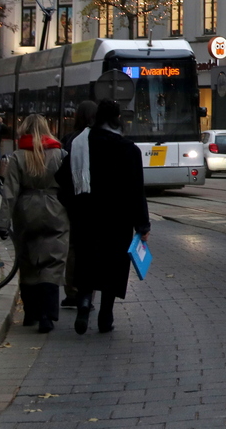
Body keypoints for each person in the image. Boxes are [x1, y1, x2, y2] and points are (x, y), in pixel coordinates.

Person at [70, 100, 150, 335]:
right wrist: (142, 224)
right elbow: (137, 190)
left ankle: (83, 303)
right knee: (112, 266)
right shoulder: (128, 149)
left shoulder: (79, 143)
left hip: (86, 216)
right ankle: (106, 315)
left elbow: (64, 179)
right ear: (117, 119)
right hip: (117, 219)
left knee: (86, 259)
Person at [0, 114, 69, 333]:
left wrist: (3, 223)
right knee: (53, 261)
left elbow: (9, 192)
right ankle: (48, 314)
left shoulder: (18, 157)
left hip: (26, 209)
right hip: (55, 207)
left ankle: (31, 313)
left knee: (28, 259)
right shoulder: (60, 154)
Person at [59, 100, 97, 311]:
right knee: (90, 247)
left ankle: (71, 291)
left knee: (72, 247)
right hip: (93, 203)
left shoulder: (68, 139)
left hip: (73, 202)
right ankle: (87, 293)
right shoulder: (99, 139)